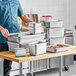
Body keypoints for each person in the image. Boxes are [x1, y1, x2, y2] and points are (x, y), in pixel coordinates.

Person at [0, 0, 32, 76]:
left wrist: (36, 24)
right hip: (1, 39)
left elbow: (23, 17)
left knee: (8, 65)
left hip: (13, 39)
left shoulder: (16, 1)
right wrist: (1, 29)